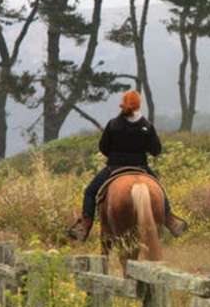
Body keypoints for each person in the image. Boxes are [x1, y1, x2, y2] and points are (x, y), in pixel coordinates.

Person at [67, 90, 188, 241]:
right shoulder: (146, 125)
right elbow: (156, 150)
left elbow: (103, 147)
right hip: (141, 167)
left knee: (90, 192)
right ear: (139, 105)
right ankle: (170, 221)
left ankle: (84, 226)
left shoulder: (113, 124)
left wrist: (116, 155)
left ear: (123, 104)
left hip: (114, 167)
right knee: (160, 190)